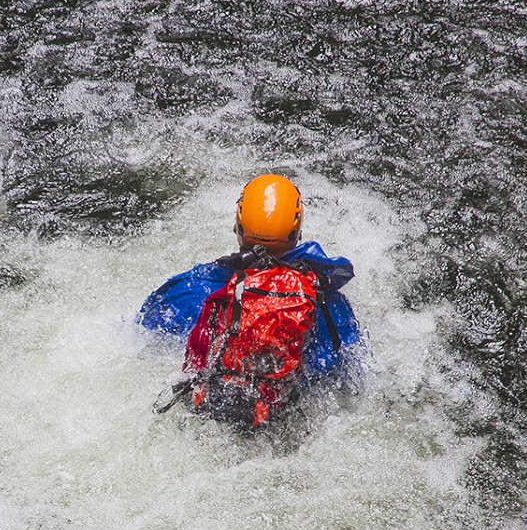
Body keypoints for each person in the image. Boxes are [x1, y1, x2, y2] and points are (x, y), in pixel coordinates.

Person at [138, 176, 362, 423]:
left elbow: (141, 339)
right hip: (283, 421)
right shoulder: (327, 302)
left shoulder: (189, 289)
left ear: (238, 226)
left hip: (210, 414)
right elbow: (353, 379)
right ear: (297, 233)